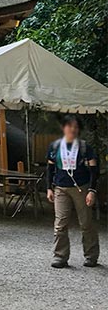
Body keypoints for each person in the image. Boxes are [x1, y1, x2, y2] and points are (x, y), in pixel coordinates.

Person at [47, 114, 99, 268]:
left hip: (81, 188)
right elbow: (50, 168)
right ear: (64, 128)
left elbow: (94, 171)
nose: (72, 129)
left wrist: (92, 190)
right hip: (60, 188)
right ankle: (60, 256)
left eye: (76, 127)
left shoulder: (85, 148)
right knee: (60, 224)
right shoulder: (55, 147)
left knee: (86, 223)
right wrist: (49, 188)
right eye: (69, 126)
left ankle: (91, 255)